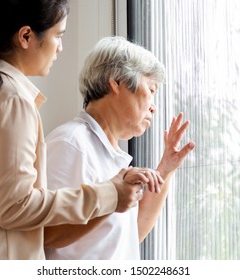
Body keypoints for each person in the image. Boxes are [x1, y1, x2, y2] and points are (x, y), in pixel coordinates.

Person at [0, 1, 164, 260]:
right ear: (26, 36)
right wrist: (109, 194)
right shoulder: (12, 102)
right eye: (58, 36)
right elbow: (16, 206)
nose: (60, 47)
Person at [44, 36, 196, 259]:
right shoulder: (70, 144)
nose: (154, 108)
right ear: (116, 82)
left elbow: (129, 237)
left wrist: (166, 168)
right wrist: (112, 198)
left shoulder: (110, 155)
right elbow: (44, 234)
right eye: (151, 90)